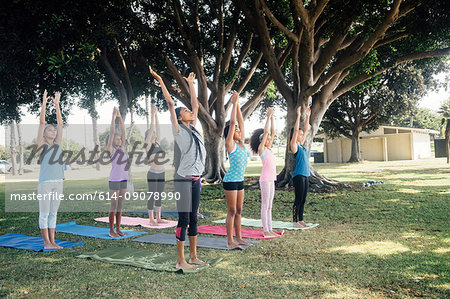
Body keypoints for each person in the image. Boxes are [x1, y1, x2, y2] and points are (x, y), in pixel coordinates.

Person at [150, 66, 208, 270]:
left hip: (196, 179)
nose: (190, 112)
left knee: (193, 218)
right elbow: (170, 102)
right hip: (183, 179)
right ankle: (180, 260)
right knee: (183, 219)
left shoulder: (194, 127)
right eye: (185, 112)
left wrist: (192, 85)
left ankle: (193, 256)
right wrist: (160, 79)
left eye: (188, 111)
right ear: (179, 117)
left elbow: (195, 104)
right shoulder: (178, 129)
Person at [222, 91, 252, 249]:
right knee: (232, 210)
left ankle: (239, 238)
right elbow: (233, 123)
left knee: (239, 210)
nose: (239, 131)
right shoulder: (230, 145)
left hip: (239, 181)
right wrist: (233, 104)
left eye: (239, 131)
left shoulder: (241, 144)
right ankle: (229, 241)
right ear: (231, 134)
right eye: (236, 131)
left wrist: (238, 104)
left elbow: (240, 122)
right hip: (230, 181)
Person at [36, 90, 64, 249]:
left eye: (54, 130)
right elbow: (41, 123)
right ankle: (46, 243)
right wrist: (45, 103)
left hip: (58, 181)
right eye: (50, 129)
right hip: (45, 183)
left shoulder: (58, 143)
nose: (53, 130)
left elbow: (60, 124)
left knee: (53, 213)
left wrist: (57, 105)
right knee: (45, 213)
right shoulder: (41, 145)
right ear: (45, 134)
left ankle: (53, 241)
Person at [249, 108, 280, 237]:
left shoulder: (269, 149)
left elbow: (272, 132)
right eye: (266, 139)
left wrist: (272, 118)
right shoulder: (262, 150)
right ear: (262, 140)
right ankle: (265, 231)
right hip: (265, 180)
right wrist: (267, 117)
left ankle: (270, 229)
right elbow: (267, 132)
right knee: (265, 205)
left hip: (271, 179)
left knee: (269, 207)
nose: (268, 140)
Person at [106, 107, 128, 238]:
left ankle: (119, 228)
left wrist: (120, 117)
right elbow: (112, 131)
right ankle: (111, 230)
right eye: (116, 138)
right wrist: (113, 118)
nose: (119, 139)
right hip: (114, 180)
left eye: (120, 138)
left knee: (120, 205)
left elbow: (123, 133)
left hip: (123, 179)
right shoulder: (110, 149)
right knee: (113, 205)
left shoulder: (123, 148)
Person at [145, 103, 167, 226]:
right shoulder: (148, 144)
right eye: (151, 133)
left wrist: (157, 115)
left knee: (159, 195)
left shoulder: (157, 143)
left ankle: (158, 217)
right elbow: (153, 129)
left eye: (154, 134)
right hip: (153, 174)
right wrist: (152, 116)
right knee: (152, 196)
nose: (154, 134)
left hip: (161, 172)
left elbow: (158, 129)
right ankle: (151, 218)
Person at [290, 106, 312, 228]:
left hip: (305, 175)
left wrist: (307, 116)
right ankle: (295, 221)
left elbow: (306, 130)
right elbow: (296, 132)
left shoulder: (302, 145)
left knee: (303, 199)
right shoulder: (294, 146)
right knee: (298, 199)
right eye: (300, 134)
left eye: (302, 134)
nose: (302, 135)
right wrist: (298, 115)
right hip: (298, 175)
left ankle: (301, 219)